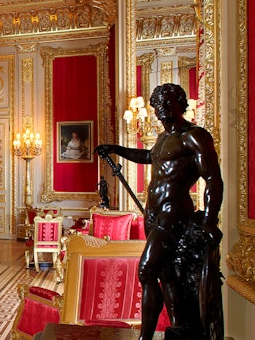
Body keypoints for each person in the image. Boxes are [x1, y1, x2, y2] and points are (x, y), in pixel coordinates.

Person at [94, 83, 223, 340]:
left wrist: (209, 221)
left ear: (180, 103)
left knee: (146, 270)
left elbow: (213, 179)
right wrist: (116, 149)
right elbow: (148, 157)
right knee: (167, 275)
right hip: (152, 215)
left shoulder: (194, 136)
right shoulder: (164, 138)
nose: (161, 107)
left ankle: (145, 337)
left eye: (167, 101)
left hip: (173, 214)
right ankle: (179, 328)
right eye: (157, 104)